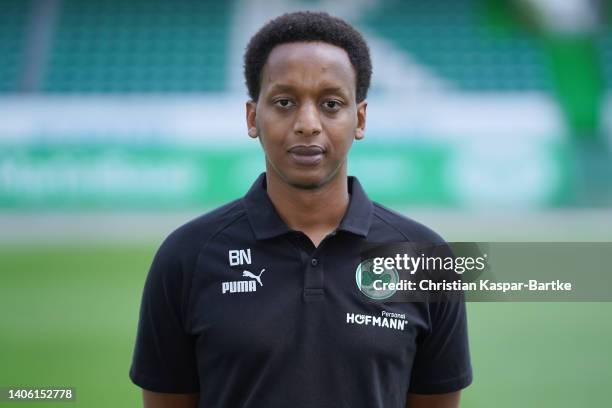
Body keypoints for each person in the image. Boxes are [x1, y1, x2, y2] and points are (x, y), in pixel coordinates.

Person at [130, 11, 472, 408]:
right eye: (284, 102)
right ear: (252, 116)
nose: (307, 124)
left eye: (330, 103)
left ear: (359, 119)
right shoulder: (185, 257)